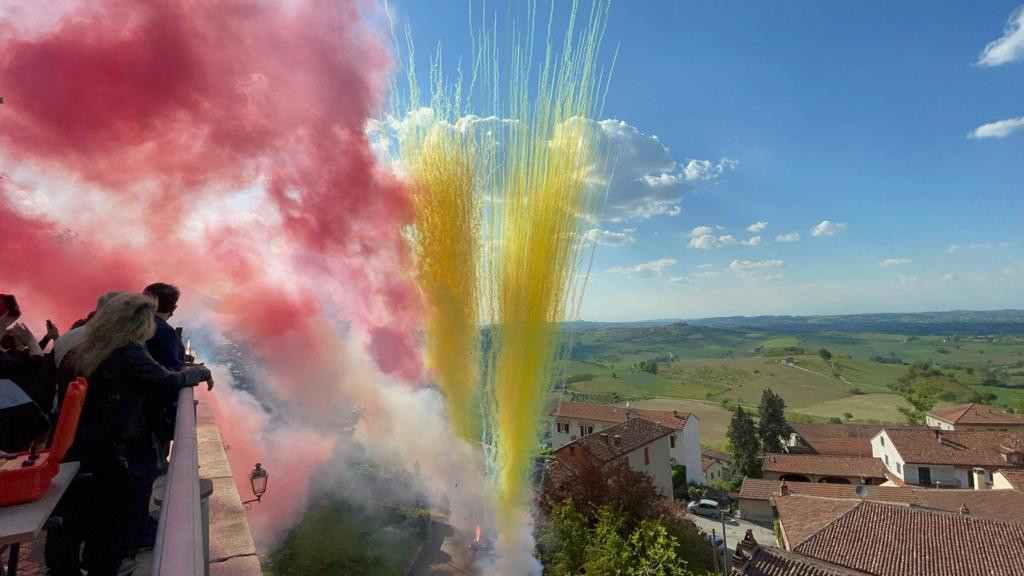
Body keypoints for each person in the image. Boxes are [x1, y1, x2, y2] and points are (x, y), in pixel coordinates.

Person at [44, 293, 213, 576]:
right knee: (111, 532)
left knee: (76, 525)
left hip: (80, 450)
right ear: (138, 324)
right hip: (115, 457)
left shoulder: (83, 351)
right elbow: (166, 379)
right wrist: (198, 372)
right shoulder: (127, 352)